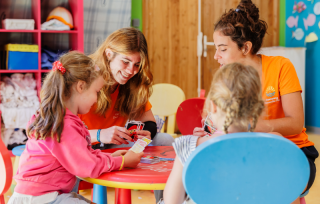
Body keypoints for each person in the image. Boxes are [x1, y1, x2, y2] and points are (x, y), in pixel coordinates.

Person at [193, 0, 318, 204]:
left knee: (271, 178)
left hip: (293, 151)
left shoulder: (280, 66)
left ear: (245, 47)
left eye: (222, 49)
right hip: (246, 151)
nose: (216, 56)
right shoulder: (226, 76)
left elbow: (296, 123)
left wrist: (252, 127)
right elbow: (219, 119)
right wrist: (210, 130)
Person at [8, 52, 143, 204]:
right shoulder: (64, 125)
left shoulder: (62, 118)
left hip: (43, 195)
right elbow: (86, 166)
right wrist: (123, 162)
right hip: (40, 198)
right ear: (80, 86)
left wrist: (113, 158)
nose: (97, 99)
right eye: (96, 92)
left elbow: (85, 156)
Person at [78, 27, 174, 202]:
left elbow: (149, 122)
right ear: (108, 54)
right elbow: (62, 136)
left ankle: (166, 200)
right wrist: (100, 135)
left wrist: (146, 133)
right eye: (126, 61)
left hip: (113, 148)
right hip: (83, 148)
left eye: (137, 64)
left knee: (166, 141)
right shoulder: (84, 77)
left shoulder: (133, 83)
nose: (131, 70)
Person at [160, 63, 265, 204]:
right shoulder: (274, 145)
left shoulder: (189, 147)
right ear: (255, 108)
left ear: (213, 106)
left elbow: (171, 202)